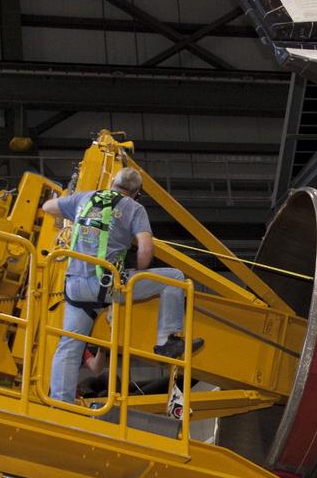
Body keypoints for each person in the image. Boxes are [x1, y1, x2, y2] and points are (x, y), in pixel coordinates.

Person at [43, 167, 202, 404]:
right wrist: (135, 273)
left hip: (75, 286)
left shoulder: (85, 198)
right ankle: (166, 340)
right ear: (136, 192)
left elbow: (47, 208)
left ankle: (60, 402)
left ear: (111, 182)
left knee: (69, 344)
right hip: (107, 284)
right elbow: (146, 250)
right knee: (175, 277)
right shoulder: (134, 208)